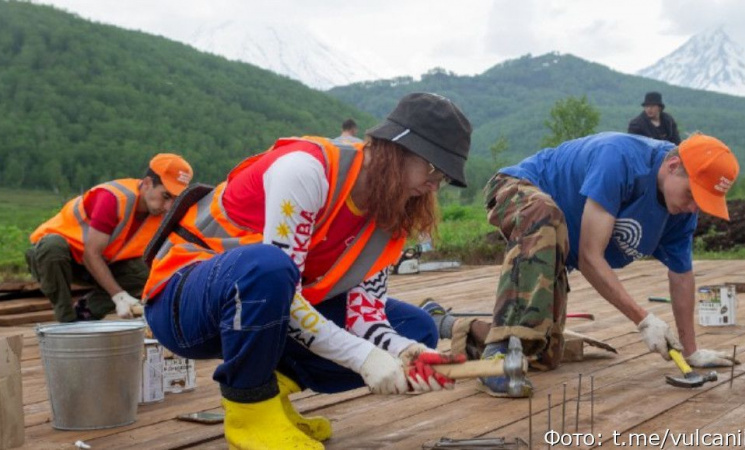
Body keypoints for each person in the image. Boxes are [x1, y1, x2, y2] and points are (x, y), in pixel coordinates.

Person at [142, 93, 472, 449]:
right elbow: (281, 289)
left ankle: (272, 393)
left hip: (266, 310)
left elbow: (366, 315)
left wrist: (405, 351)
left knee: (417, 328)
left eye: (445, 178)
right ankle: (249, 408)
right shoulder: (306, 170)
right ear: (398, 149)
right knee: (269, 266)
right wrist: (364, 357)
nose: (434, 186)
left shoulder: (392, 214)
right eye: (434, 170)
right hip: (183, 302)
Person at [423, 132, 740, 397]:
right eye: (691, 194)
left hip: (557, 247)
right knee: (545, 214)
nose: (691, 208)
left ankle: (444, 324)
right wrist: (644, 320)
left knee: (542, 354)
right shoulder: (620, 159)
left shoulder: (680, 215)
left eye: (701, 202)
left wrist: (690, 350)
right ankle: (497, 355)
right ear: (672, 166)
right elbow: (590, 257)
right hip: (518, 190)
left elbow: (682, 277)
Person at [27, 154, 193, 322]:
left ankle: (86, 311)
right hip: (61, 260)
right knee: (52, 247)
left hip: (103, 264)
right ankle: (66, 319)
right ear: (148, 183)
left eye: (175, 199)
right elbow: (91, 254)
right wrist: (118, 295)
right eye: (165, 196)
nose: (168, 206)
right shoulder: (113, 198)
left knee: (149, 271)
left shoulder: (162, 213)